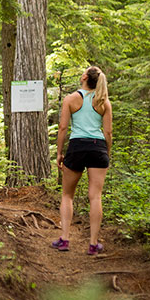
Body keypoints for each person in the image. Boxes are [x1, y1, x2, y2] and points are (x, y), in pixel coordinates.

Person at [51, 66, 112, 255]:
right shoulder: (104, 102)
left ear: (85, 77)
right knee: (95, 196)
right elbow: (108, 132)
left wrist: (59, 153)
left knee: (67, 195)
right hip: (98, 147)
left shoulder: (71, 99)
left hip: (77, 147)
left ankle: (65, 240)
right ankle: (93, 244)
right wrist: (106, 153)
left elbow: (62, 128)